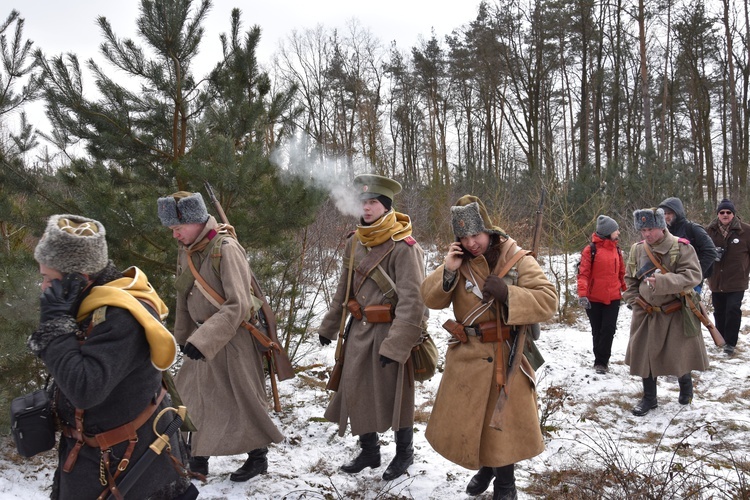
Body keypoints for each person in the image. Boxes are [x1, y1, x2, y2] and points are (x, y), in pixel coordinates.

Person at [28, 214, 196, 499]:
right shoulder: (88, 302)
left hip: (129, 465)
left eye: (48, 278)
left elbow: (85, 388)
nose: (43, 287)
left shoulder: (121, 316)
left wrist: (54, 327)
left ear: (77, 279)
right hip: (96, 457)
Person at [420, 195, 557, 500]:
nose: (471, 243)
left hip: (504, 354)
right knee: (475, 422)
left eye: (475, 235)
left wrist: (508, 293)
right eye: (464, 237)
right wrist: (448, 270)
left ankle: (505, 486)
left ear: (489, 230)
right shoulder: (459, 260)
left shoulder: (517, 257)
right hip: (466, 355)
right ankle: (487, 467)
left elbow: (548, 300)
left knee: (501, 425)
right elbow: (431, 299)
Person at [157, 191, 284, 481]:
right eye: (172, 230)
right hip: (203, 339)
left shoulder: (225, 248)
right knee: (193, 399)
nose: (175, 235)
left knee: (244, 399)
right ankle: (198, 460)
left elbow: (238, 304)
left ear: (197, 221)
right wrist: (183, 336)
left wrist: (203, 340)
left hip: (234, 338)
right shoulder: (187, 250)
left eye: (178, 228)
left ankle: (258, 457)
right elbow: (183, 295)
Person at [318, 174, 426, 481]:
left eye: (373, 203)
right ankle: (369, 450)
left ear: (386, 206)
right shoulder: (355, 242)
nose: (366, 208)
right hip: (358, 329)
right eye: (363, 202)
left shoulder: (404, 246)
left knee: (397, 395)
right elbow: (344, 289)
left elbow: (413, 301)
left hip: (391, 332)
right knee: (355, 388)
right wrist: (329, 326)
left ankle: (404, 453)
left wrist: (397, 345)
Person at [623, 208, 709, 416]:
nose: (646, 234)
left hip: (675, 312)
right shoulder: (637, 250)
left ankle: (685, 390)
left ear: (662, 226)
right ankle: (649, 399)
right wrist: (633, 300)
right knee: (646, 357)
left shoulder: (680, 247)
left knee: (680, 356)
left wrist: (662, 282)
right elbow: (630, 279)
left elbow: (693, 276)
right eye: (643, 230)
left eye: (650, 228)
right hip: (646, 312)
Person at [577, 215, 627, 374]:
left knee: (609, 329)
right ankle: (599, 359)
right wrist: (582, 295)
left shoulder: (617, 250)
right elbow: (583, 274)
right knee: (597, 329)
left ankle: (602, 361)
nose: (618, 232)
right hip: (593, 299)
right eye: (615, 230)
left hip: (613, 297)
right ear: (608, 232)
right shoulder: (590, 250)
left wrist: (628, 292)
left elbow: (622, 273)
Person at [706, 199, 750, 355]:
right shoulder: (708, 231)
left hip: (737, 280)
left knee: (732, 309)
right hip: (716, 280)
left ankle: (730, 343)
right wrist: (711, 256)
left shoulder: (746, 231)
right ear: (718, 214)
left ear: (733, 214)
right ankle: (721, 340)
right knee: (719, 311)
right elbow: (701, 252)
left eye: (728, 212)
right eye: (722, 212)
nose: (725, 215)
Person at [658, 197, 717, 291]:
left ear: (677, 212)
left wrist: (696, 273)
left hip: (691, 283)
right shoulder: (664, 231)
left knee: (689, 306)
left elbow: (711, 251)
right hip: (671, 281)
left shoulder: (693, 228)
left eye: (669, 213)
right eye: (664, 213)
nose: (666, 217)